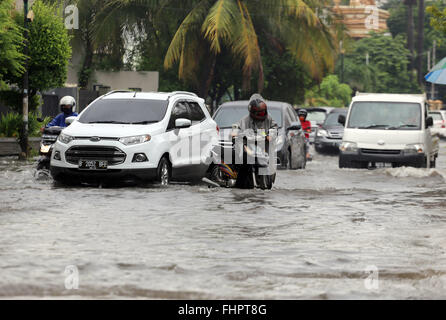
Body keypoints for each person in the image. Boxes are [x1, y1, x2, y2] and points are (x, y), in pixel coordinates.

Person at [231, 94, 278, 188]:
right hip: (248, 147)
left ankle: (266, 180)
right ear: (252, 112)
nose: (262, 114)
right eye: (259, 113)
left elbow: (274, 127)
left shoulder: (269, 119)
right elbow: (237, 129)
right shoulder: (245, 120)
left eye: (263, 112)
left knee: (269, 161)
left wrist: (270, 135)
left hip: (263, 146)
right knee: (244, 163)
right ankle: (240, 184)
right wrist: (235, 134)